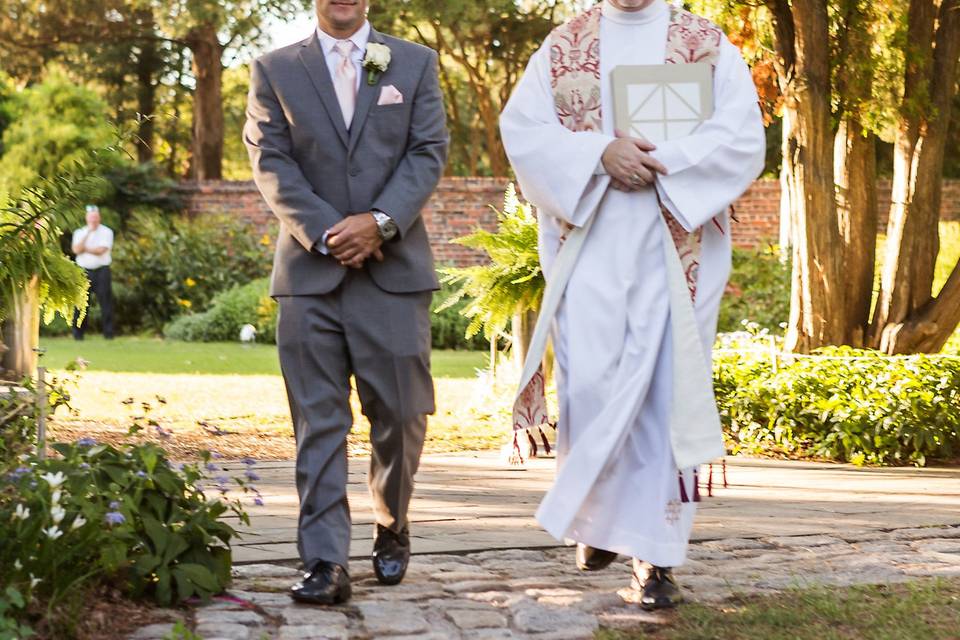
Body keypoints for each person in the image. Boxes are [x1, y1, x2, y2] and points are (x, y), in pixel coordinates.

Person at [500, 0, 765, 609]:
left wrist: (659, 162)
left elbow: (742, 135)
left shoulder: (706, 43)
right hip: (591, 246)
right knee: (591, 386)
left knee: (661, 398)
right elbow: (525, 132)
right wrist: (599, 155)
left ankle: (657, 558)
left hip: (676, 249)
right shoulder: (566, 43)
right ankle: (599, 522)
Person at [243, 0, 448, 606]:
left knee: (404, 414)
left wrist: (380, 223)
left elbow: (427, 151)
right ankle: (325, 560)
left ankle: (393, 520)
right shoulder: (273, 67)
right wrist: (334, 232)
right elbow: (269, 160)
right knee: (318, 423)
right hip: (310, 275)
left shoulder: (414, 64)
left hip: (394, 272)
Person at [71, 205, 115, 340]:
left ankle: (109, 334)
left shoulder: (107, 232)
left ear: (99, 217)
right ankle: (78, 334)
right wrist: (88, 234)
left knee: (106, 303)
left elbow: (101, 250)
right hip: (84, 272)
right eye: (91, 217)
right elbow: (76, 249)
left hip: (101, 271)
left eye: (96, 217)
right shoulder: (79, 232)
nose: (94, 220)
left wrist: (85, 248)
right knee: (81, 304)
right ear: (87, 218)